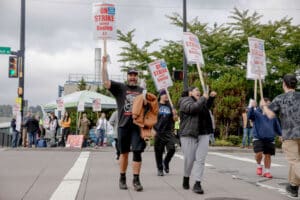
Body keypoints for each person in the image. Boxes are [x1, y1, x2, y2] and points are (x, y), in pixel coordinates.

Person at [102, 56, 145, 191]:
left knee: (137, 152)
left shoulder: (141, 90)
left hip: (137, 126)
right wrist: (104, 65)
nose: (133, 77)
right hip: (123, 126)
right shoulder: (121, 88)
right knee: (124, 153)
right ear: (127, 76)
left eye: (135, 75)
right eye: (130, 75)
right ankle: (122, 177)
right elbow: (106, 82)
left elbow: (148, 107)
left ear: (137, 77)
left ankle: (136, 180)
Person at [262, 74, 300, 197]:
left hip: (290, 135)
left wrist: (264, 106)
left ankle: (293, 186)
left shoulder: (280, 98)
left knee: (295, 161)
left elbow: (270, 114)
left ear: (284, 84)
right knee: (296, 162)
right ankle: (293, 187)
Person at [179, 86, 217, 194]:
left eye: (199, 91)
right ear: (190, 92)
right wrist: (203, 98)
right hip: (189, 134)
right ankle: (186, 177)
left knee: (200, 159)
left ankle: (197, 183)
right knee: (189, 159)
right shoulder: (184, 101)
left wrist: (210, 98)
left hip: (203, 133)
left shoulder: (202, 101)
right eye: (196, 90)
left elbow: (206, 107)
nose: (199, 92)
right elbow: (193, 109)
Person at [248, 98, 282, 179]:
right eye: (267, 103)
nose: (269, 105)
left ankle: (267, 172)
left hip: (270, 138)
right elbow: (250, 116)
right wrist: (252, 107)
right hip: (258, 137)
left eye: (269, 103)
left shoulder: (271, 114)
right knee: (258, 153)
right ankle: (259, 165)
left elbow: (277, 126)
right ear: (262, 104)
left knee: (268, 155)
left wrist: (281, 135)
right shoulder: (256, 113)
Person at [153, 89, 178, 176]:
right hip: (158, 131)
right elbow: (150, 117)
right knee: (158, 151)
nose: (166, 96)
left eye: (168, 94)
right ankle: (160, 169)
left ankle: (166, 162)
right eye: (165, 94)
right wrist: (152, 129)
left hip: (168, 131)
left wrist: (175, 115)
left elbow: (175, 120)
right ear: (161, 95)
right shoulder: (156, 105)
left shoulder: (170, 106)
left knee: (172, 149)